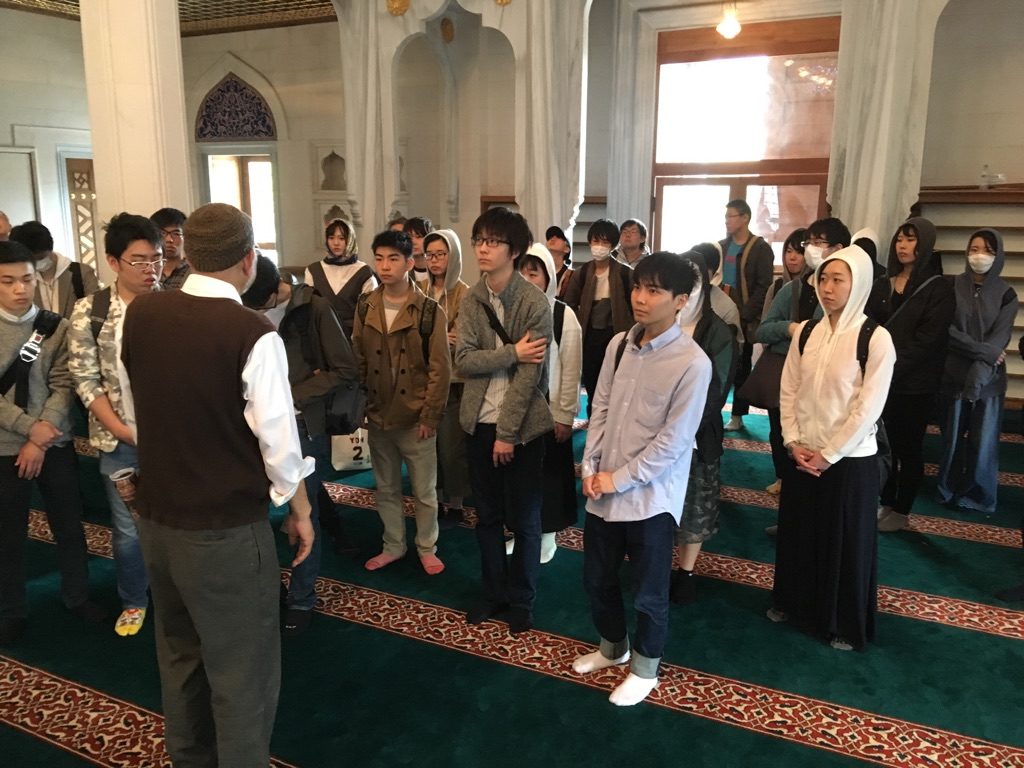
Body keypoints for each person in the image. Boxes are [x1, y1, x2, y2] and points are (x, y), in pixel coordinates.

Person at [121, 202, 314, 767]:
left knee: (179, 658)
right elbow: (280, 450)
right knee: (242, 674)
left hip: (158, 520)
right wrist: (295, 507)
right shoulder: (252, 332)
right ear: (249, 260)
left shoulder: (142, 313)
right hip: (224, 532)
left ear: (187, 252)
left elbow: (137, 412)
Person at [573, 252, 711, 706]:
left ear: (681, 301)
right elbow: (600, 409)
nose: (640, 298)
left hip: (651, 499)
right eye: (637, 287)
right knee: (597, 579)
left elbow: (673, 443)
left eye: (654, 291)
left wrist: (616, 479)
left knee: (649, 593)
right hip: (603, 489)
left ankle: (646, 669)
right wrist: (591, 467)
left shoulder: (692, 363)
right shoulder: (618, 345)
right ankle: (613, 648)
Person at [769, 245, 895, 651]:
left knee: (844, 543)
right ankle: (794, 604)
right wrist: (792, 441)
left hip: (849, 461)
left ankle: (843, 624)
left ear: (859, 285)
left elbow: (868, 407)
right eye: (823, 278)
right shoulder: (808, 331)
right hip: (803, 453)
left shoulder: (875, 338)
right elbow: (789, 388)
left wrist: (830, 453)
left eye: (838, 280)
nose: (827, 287)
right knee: (799, 534)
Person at [242, 254, 359, 634]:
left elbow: (345, 368)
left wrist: (291, 395)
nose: (257, 313)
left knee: (303, 511)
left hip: (302, 422)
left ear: (277, 289)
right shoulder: (243, 308)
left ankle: (302, 597)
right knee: (258, 510)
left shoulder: (313, 307)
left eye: (261, 306)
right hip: (256, 422)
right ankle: (269, 585)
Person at [0, 239, 106, 645]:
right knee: (8, 534)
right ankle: (12, 610)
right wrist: (30, 429)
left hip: (53, 443)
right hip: (5, 447)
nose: (19, 289)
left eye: (26, 279)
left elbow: (64, 384)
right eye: (8, 281)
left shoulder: (54, 326)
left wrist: (41, 436)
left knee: (69, 525)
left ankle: (77, 595)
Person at [455, 206, 553, 635]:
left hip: (523, 430)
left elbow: (530, 377)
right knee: (488, 517)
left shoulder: (533, 302)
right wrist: (512, 352)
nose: (483, 248)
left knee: (526, 521)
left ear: (514, 251)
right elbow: (463, 361)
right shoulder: (472, 299)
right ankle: (493, 592)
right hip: (478, 423)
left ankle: (522, 599)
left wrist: (507, 435)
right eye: (479, 240)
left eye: (493, 242)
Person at [68, 213, 164, 637]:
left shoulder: (174, 306)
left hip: (172, 438)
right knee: (128, 529)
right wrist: (124, 431)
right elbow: (86, 380)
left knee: (175, 523)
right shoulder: (91, 311)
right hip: (117, 438)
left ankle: (175, 595)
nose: (150, 269)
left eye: (156, 259)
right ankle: (134, 598)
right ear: (113, 262)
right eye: (138, 260)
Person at [352, 229, 451, 576]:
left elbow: (440, 369)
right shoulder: (366, 305)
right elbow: (358, 359)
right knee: (386, 487)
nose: (385, 266)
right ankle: (393, 545)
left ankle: (427, 547)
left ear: (410, 263)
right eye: (379, 258)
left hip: (416, 417)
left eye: (393, 259)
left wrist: (430, 416)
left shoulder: (429, 311)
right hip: (379, 413)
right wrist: (360, 405)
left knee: (424, 491)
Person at [866, 218, 955, 532]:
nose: (902, 246)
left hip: (915, 385)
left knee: (909, 448)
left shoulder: (939, 287)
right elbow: (870, 326)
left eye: (911, 239)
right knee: (883, 444)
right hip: (882, 380)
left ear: (925, 244)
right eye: (900, 239)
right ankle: (887, 501)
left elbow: (928, 341)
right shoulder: (883, 283)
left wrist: (890, 366)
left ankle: (902, 511)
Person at [506, 242, 582, 563]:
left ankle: (547, 535)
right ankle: (522, 532)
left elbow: (571, 369)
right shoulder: (508, 311)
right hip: (516, 409)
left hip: (549, 410)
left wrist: (564, 415)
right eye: (522, 272)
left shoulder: (563, 315)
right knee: (518, 476)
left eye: (533, 273)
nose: (526, 279)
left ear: (548, 277)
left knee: (548, 475)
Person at [936, 229, 1018, 516]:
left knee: (983, 442)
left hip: (989, 381)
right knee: (952, 438)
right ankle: (947, 489)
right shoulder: (951, 286)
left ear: (998, 256)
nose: (979, 256)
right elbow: (947, 331)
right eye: (974, 249)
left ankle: (978, 495)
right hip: (953, 375)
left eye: (987, 251)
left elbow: (1000, 339)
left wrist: (979, 374)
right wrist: (982, 351)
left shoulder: (1007, 294)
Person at [670, 252, 737, 604]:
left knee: (694, 506)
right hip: (655, 432)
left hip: (697, 435)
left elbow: (717, 391)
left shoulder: (719, 332)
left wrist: (681, 426)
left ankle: (686, 571)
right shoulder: (659, 325)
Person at [419, 228, 471, 530]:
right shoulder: (419, 290)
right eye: (430, 255)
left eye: (441, 254)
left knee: (452, 448)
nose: (435, 260)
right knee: (429, 446)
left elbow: (462, 337)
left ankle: (457, 502)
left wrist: (438, 338)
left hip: (455, 382)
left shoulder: (466, 293)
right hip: (425, 380)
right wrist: (439, 337)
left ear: (454, 256)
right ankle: (435, 498)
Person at [752, 228, 809, 497]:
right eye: (788, 251)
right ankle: (781, 475)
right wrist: (789, 331)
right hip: (781, 368)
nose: (792, 257)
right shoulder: (778, 288)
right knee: (778, 427)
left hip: (809, 375)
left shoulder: (822, 292)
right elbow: (764, 330)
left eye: (799, 252)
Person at [563, 219, 634, 418]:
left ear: (613, 245)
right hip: (589, 336)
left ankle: (613, 418)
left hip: (616, 334)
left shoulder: (625, 273)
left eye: (605, 242)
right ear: (589, 242)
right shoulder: (582, 273)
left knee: (616, 379)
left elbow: (635, 305)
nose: (599, 246)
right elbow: (568, 305)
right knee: (592, 379)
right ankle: (594, 417)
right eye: (596, 241)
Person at [719, 200, 774, 432]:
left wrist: (745, 314)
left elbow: (764, 286)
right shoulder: (722, 246)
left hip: (745, 313)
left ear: (745, 218)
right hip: (721, 308)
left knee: (741, 366)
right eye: (726, 216)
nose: (727, 221)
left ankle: (738, 414)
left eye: (731, 216)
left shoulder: (760, 248)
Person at [304, 216, 377, 338]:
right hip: (322, 336)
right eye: (331, 238)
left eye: (341, 238)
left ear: (350, 239)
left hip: (353, 337)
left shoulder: (363, 272)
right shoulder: (313, 270)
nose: (336, 243)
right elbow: (308, 309)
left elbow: (371, 312)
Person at [10, 220, 99, 319]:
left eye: (41, 258)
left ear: (50, 248)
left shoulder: (81, 273)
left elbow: (96, 311)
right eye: (33, 260)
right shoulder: (22, 279)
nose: (37, 263)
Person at [150, 207, 190, 290]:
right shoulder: (148, 271)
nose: (169, 240)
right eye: (163, 233)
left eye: (176, 233)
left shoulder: (193, 272)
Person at [403, 216, 434, 286]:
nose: (413, 242)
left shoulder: (438, 272)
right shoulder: (402, 273)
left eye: (418, 236)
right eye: (409, 237)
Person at [545, 225, 574, 300]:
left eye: (558, 236)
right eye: (549, 237)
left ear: (567, 249)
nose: (553, 238)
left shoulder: (571, 276)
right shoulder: (540, 272)